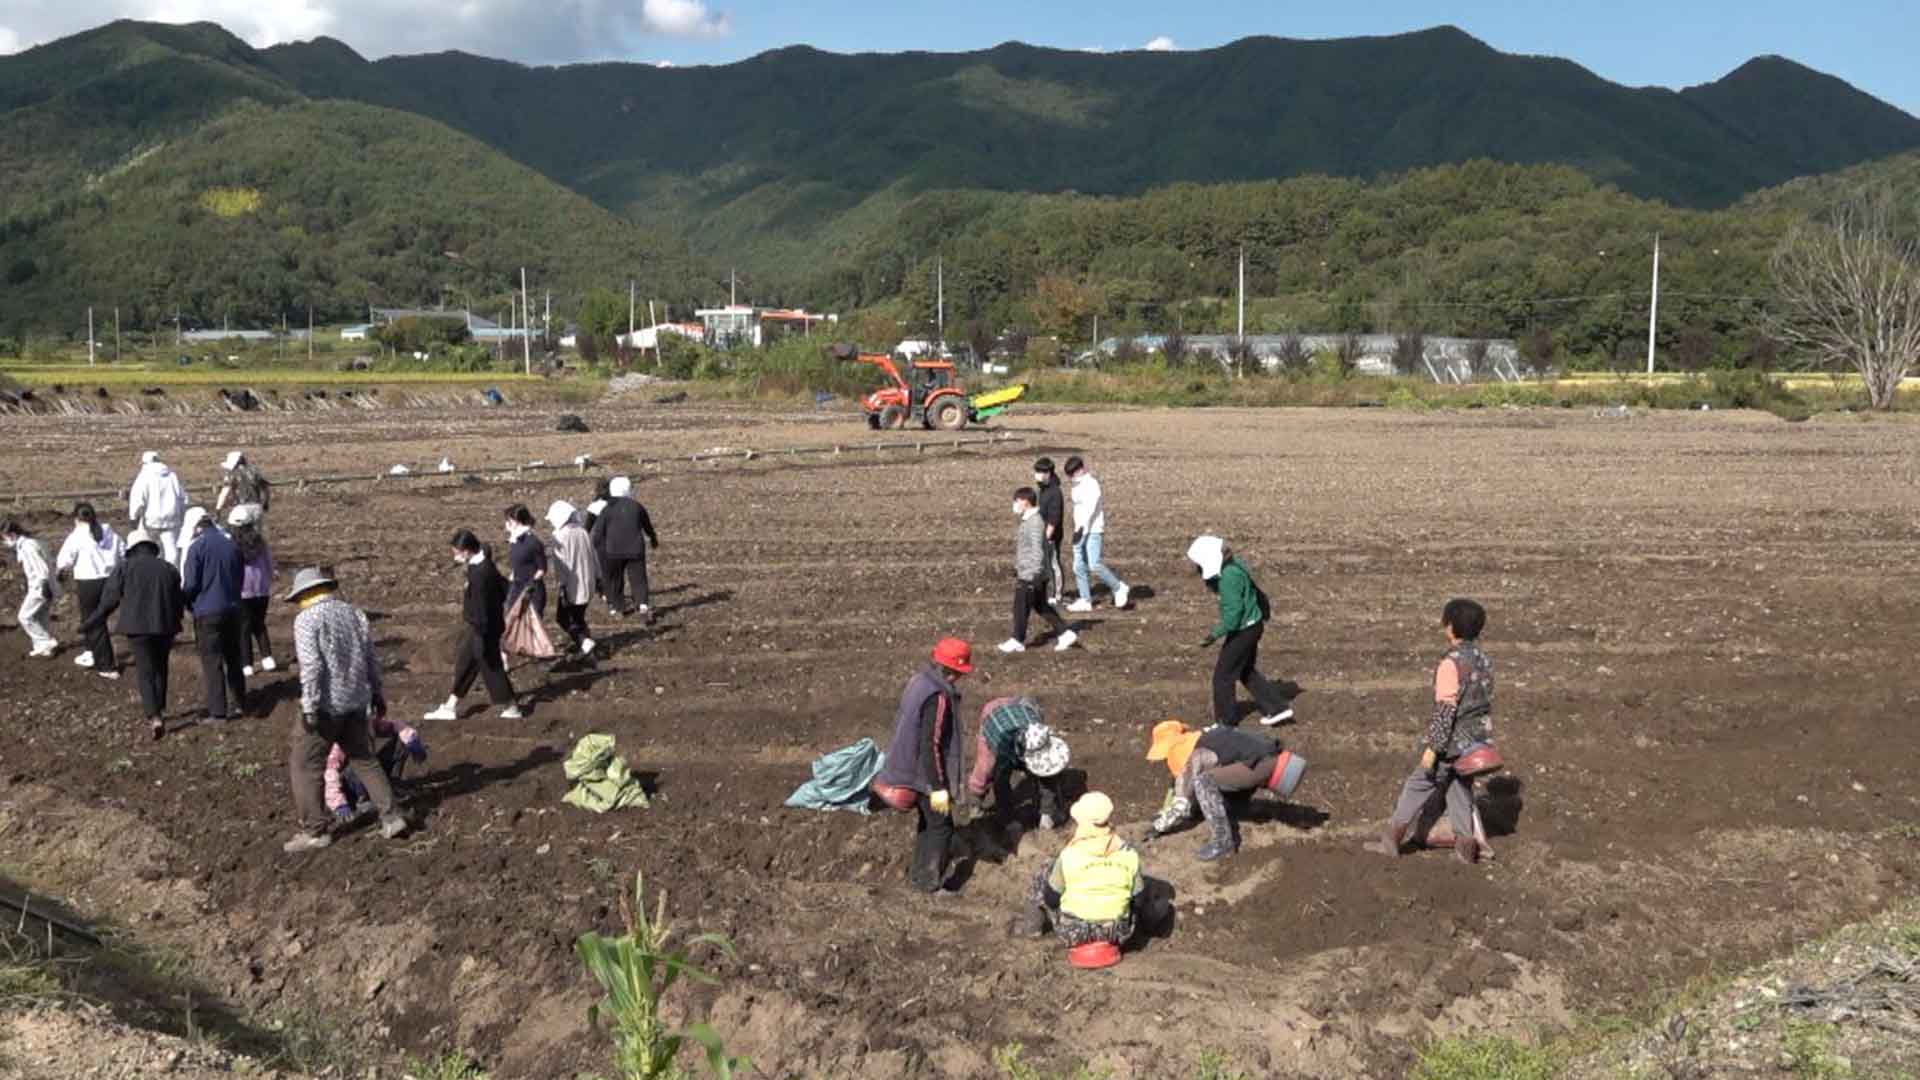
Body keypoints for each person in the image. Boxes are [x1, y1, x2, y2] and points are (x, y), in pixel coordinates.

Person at [283, 566, 408, 852]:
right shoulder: (355, 614)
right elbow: (370, 659)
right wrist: (376, 693)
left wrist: (310, 705)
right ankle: (392, 816)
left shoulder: (305, 620)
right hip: (356, 701)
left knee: (304, 764)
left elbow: (312, 667)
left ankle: (315, 830)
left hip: (326, 706)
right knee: (364, 759)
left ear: (303, 595)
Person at [1368, 598, 1495, 866]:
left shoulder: (1451, 663)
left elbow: (1446, 710)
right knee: (1460, 789)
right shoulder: (1484, 660)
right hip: (1477, 741)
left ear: (1449, 627)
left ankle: (1391, 839)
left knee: (1418, 783)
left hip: (1452, 743)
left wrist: (1433, 748)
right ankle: (1466, 848)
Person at [874, 638, 972, 894]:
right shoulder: (938, 697)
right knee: (941, 827)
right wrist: (937, 787)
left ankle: (918, 876)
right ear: (952, 670)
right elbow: (931, 744)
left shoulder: (918, 681)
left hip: (904, 766)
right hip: (922, 775)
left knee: (928, 823)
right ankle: (928, 883)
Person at [1146, 719, 1306, 861]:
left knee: (1204, 783)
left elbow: (1181, 801)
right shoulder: (1201, 738)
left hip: (1263, 764)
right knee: (1215, 782)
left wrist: (1158, 826)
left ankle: (1222, 843)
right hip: (1270, 756)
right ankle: (1238, 808)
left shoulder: (1185, 752)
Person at [78, 528, 183, 739]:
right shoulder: (169, 568)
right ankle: (160, 708)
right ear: (152, 548)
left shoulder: (124, 568)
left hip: (137, 628)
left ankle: (153, 716)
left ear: (132, 549)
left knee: (145, 670)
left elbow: (108, 602)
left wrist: (89, 624)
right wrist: (177, 619)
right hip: (165, 626)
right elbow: (177, 600)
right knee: (161, 667)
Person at [1188, 535, 1293, 727]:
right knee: (1245, 670)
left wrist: (1213, 635)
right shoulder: (1236, 564)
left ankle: (1225, 722)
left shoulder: (1228, 578)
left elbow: (1233, 615)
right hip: (1254, 625)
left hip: (1243, 630)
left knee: (1222, 676)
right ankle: (1278, 708)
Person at [1018, 792, 1145, 946]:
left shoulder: (1068, 856)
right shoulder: (1128, 854)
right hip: (1117, 933)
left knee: (1046, 870)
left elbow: (1051, 900)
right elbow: (1139, 900)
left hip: (1075, 932)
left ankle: (1032, 929)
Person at [424, 529, 520, 721]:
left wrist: (483, 635)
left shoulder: (480, 574)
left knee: (491, 667)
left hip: (483, 630)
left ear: (466, 551)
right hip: (479, 627)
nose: (455, 556)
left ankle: (512, 707)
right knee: (465, 662)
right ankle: (450, 706)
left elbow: (482, 607)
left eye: (456, 552)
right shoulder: (483, 565)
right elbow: (504, 589)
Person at [180, 507, 247, 724]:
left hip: (207, 612)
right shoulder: (232, 546)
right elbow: (240, 578)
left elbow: (190, 584)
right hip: (233, 608)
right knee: (233, 658)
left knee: (212, 661)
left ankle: (218, 711)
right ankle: (240, 702)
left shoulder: (196, 548)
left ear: (197, 528)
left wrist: (184, 602)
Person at [966, 695, 1070, 833]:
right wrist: (1009, 820)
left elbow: (1048, 776)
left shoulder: (1041, 737)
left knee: (1046, 773)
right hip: (994, 717)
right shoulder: (1004, 747)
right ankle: (975, 803)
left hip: (1021, 709)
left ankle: (1049, 808)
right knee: (985, 768)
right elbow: (1001, 785)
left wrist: (1047, 813)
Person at [998, 486, 1077, 654]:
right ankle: (1065, 633)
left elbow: (1037, 551)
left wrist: (1032, 574)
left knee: (1020, 607)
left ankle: (1017, 640)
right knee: (1041, 606)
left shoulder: (1034, 523)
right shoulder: (1031, 520)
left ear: (1025, 502)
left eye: (1017, 501)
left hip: (1031, 575)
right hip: (1033, 572)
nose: (1014, 505)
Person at [56, 502, 124, 678]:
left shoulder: (77, 536)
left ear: (77, 519)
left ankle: (107, 666)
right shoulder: (109, 532)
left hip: (89, 583)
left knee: (94, 622)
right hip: (111, 580)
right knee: (96, 619)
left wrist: (60, 573)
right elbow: (124, 552)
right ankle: (90, 651)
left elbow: (64, 561)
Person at [324, 713, 427, 821]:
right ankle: (363, 800)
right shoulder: (341, 740)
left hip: (371, 771)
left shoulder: (367, 723)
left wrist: (411, 739)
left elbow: (394, 725)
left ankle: (391, 786)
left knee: (401, 739)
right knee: (358, 764)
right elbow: (330, 772)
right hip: (352, 784)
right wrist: (339, 803)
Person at [1063, 456, 1129, 613]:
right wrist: (1078, 529)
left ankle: (1119, 587)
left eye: (1074, 473)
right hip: (1080, 529)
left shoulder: (1092, 485)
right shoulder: (1076, 485)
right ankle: (1085, 600)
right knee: (1078, 565)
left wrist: (1083, 529)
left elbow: (1090, 509)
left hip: (1092, 529)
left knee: (1094, 564)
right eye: (1070, 475)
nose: (1073, 477)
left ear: (1081, 469)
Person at [590, 476, 658, 622]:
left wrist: (596, 545)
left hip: (613, 550)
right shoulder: (637, 506)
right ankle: (643, 606)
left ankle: (618, 608)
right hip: (636, 549)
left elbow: (599, 532)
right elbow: (647, 526)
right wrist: (653, 539)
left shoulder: (607, 509)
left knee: (615, 579)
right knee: (639, 578)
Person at [545, 500, 599, 657]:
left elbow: (561, 566)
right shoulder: (582, 531)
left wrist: (562, 586)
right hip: (588, 582)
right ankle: (587, 644)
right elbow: (593, 556)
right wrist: (598, 578)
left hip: (572, 585)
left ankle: (585, 643)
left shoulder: (559, 537)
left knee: (563, 618)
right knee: (578, 616)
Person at [230, 506, 276, 676]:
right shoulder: (260, 542)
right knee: (259, 624)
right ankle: (267, 658)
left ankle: (246, 664)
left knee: (243, 627)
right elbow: (269, 563)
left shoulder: (232, 544)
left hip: (241, 590)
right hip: (261, 589)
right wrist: (268, 580)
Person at [3, 520, 58, 658]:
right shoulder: (30, 543)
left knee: (24, 616)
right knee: (40, 616)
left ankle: (46, 642)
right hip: (46, 585)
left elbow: (41, 568)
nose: (3, 542)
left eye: (3, 538)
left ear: (12, 535)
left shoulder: (28, 547)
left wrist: (43, 586)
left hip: (40, 587)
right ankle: (45, 649)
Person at [127, 451, 188, 567]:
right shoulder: (172, 476)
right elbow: (183, 498)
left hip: (150, 520)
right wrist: (180, 514)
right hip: (172, 519)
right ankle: (172, 575)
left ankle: (151, 573)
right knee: (172, 552)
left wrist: (133, 517)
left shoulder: (144, 476)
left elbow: (137, 499)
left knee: (148, 549)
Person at [503, 504, 547, 625]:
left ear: (516, 521)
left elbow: (542, 569)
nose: (506, 524)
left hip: (532, 591)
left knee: (532, 627)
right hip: (516, 588)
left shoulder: (533, 543)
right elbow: (517, 564)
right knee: (512, 623)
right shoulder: (514, 541)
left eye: (508, 520)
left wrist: (530, 585)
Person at [1032, 458, 1067, 606]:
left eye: (1041, 472)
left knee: (1053, 563)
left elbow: (1054, 518)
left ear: (1049, 473)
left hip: (1051, 534)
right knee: (1044, 564)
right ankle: (1044, 592)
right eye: (1037, 471)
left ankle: (1056, 595)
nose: (1038, 474)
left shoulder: (1054, 492)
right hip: (1041, 531)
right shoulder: (1043, 489)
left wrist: (1047, 536)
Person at [214, 451, 271, 518]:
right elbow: (265, 489)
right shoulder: (255, 471)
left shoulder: (232, 474)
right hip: (256, 507)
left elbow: (225, 493)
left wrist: (218, 510)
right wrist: (266, 503)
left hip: (241, 508)